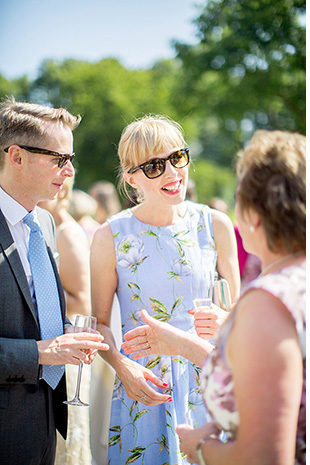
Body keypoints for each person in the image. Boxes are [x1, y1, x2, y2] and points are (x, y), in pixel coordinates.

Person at [122, 130, 306, 465]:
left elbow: (267, 454)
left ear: (253, 214)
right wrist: (182, 343)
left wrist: (200, 450)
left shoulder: (269, 300)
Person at [90, 114, 240, 465]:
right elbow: (100, 324)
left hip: (210, 383)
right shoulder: (110, 235)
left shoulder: (215, 224)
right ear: (131, 178)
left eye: (177, 158)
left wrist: (225, 318)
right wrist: (124, 370)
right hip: (144, 388)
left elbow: (239, 314)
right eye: (155, 166)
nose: (173, 173)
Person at [0, 98, 108, 465]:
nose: (69, 170)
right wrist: (42, 353)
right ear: (16, 156)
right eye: (58, 158)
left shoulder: (44, 223)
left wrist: (64, 336)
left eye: (71, 159)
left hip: (47, 424)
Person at [39, 176, 93, 465]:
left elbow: (82, 300)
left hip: (67, 343)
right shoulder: (45, 225)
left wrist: (37, 290)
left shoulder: (67, 232)